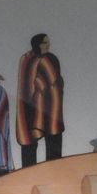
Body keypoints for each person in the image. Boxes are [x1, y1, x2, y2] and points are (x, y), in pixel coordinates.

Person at [16, 33, 64, 166]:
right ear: (37, 44)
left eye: (48, 42)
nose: (48, 45)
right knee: (32, 141)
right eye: (45, 42)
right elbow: (30, 84)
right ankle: (29, 174)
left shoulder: (48, 58)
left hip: (51, 106)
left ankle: (55, 172)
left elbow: (56, 83)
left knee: (53, 140)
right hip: (34, 107)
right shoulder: (29, 59)